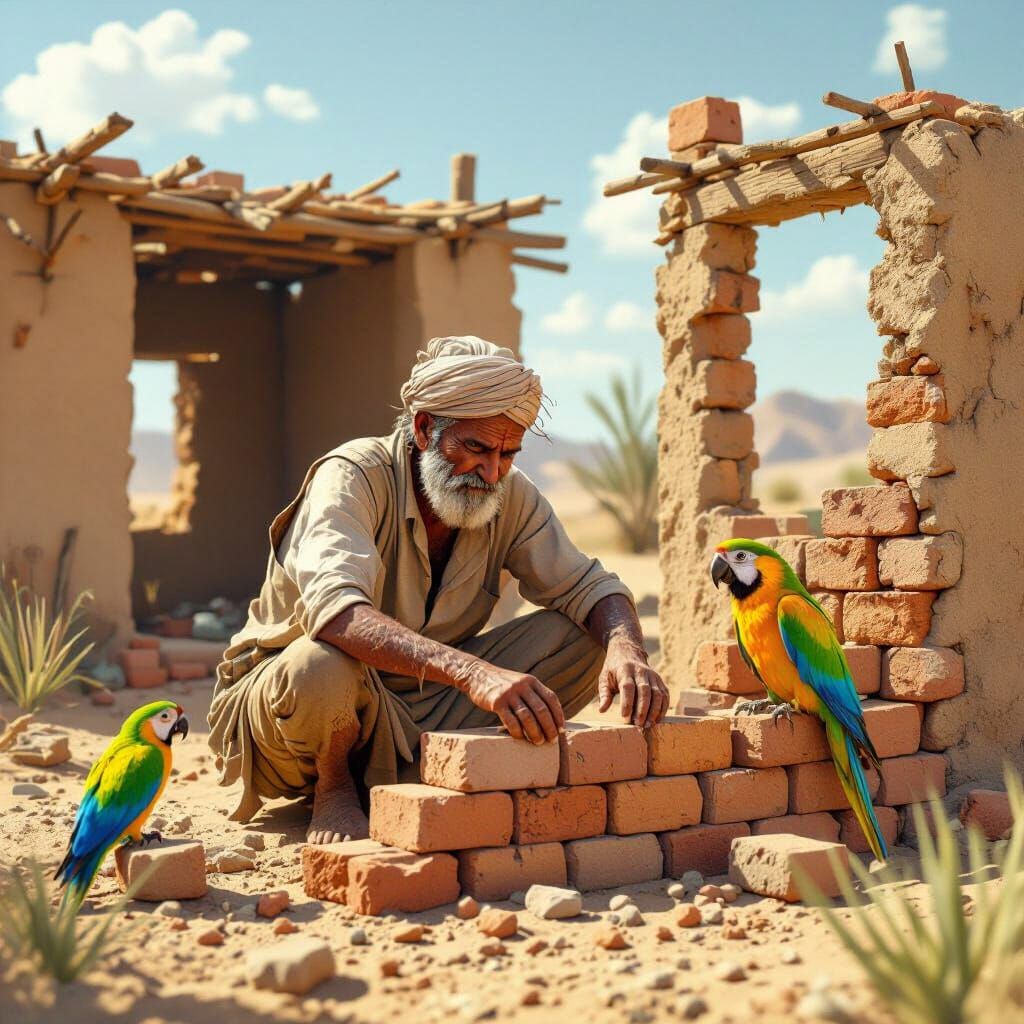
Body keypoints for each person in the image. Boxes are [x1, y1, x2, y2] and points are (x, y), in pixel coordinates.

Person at [208, 336, 669, 843]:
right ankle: (335, 787)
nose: (491, 471)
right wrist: (473, 673)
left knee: (586, 636)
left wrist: (627, 649)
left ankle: (434, 770)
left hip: (424, 702)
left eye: (507, 453)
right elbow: (337, 614)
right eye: (476, 448)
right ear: (425, 428)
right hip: (297, 713)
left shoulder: (506, 493)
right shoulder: (353, 476)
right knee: (319, 662)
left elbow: (589, 584)